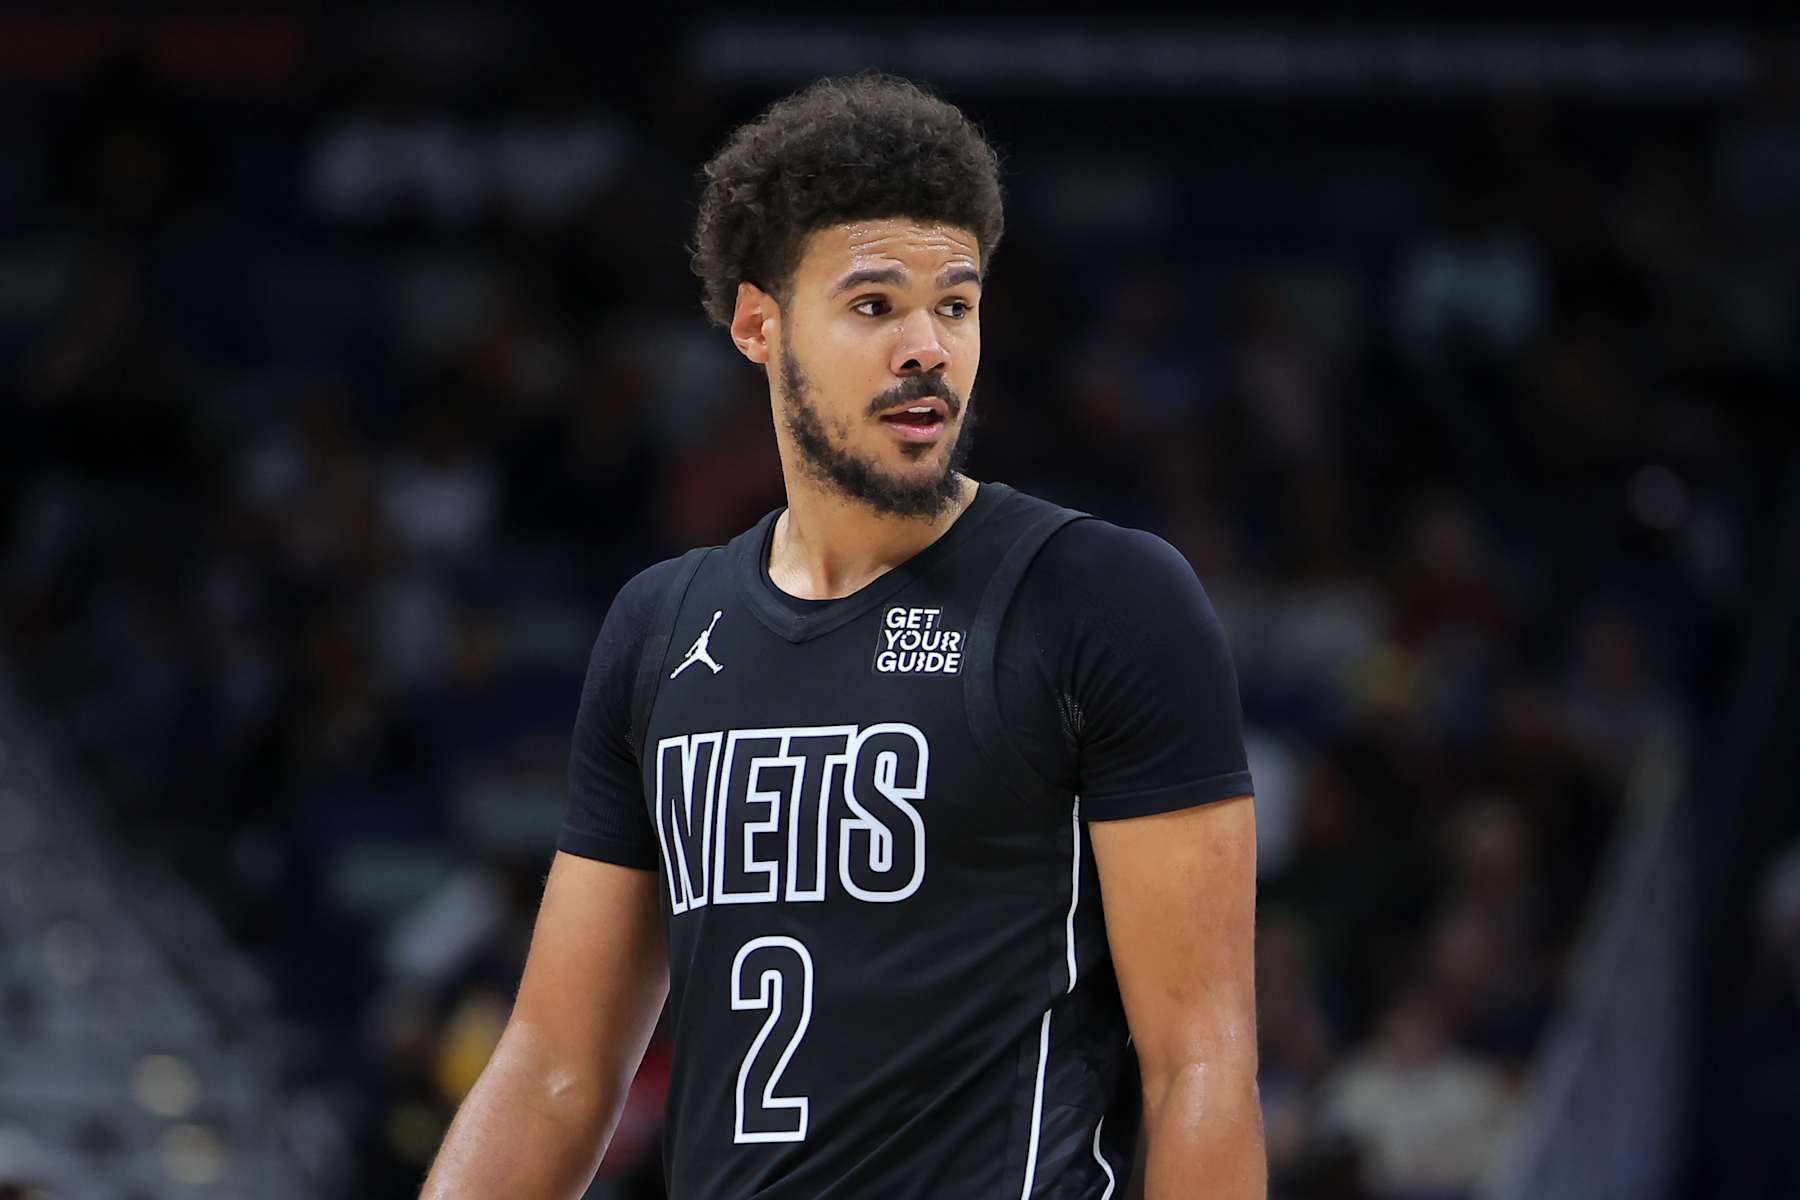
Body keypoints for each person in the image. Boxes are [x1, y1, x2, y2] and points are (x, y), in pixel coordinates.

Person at [422, 72, 1264, 1199]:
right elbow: (555, 1072)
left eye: (955, 304)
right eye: (875, 305)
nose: (927, 347)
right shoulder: (662, 626)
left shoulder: (1105, 597)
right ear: (759, 324)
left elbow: (1200, 1066)